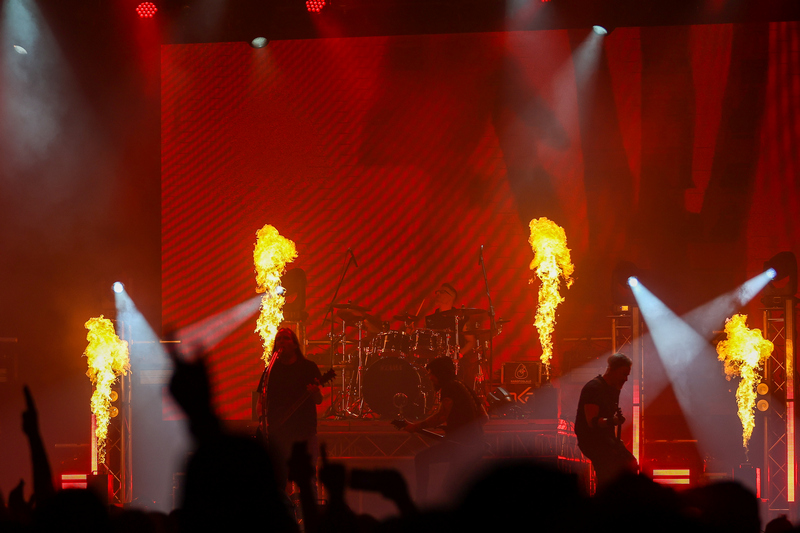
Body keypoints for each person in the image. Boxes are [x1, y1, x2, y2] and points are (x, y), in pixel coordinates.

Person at [403, 356, 487, 502]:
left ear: (440, 373)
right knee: (451, 488)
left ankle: (420, 501)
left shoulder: (449, 388)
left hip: (461, 447)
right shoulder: (464, 386)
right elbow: (484, 417)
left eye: (432, 374)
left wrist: (416, 426)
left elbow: (441, 416)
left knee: (421, 460)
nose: (430, 378)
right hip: (476, 446)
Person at [263, 327, 324, 494]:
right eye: (279, 339)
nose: (281, 342)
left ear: (295, 344)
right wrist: (263, 422)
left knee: (307, 479)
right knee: (278, 479)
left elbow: (318, 400)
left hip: (304, 430)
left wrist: (315, 392)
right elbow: (262, 399)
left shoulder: (308, 367)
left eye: (286, 338)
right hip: (279, 432)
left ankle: (309, 509)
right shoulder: (271, 370)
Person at [575, 352, 639, 488]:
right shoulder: (594, 388)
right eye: (623, 374)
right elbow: (592, 422)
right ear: (612, 370)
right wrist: (613, 421)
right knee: (608, 473)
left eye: (627, 375)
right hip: (592, 440)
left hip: (605, 439)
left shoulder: (612, 389)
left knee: (630, 463)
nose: (626, 379)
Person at [422, 283, 482, 389]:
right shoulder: (430, 319)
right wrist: (411, 332)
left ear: (451, 297)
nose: (438, 294)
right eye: (437, 292)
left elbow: (471, 341)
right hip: (434, 362)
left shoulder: (460, 318)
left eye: (442, 292)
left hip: (454, 362)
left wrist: (459, 354)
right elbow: (423, 341)